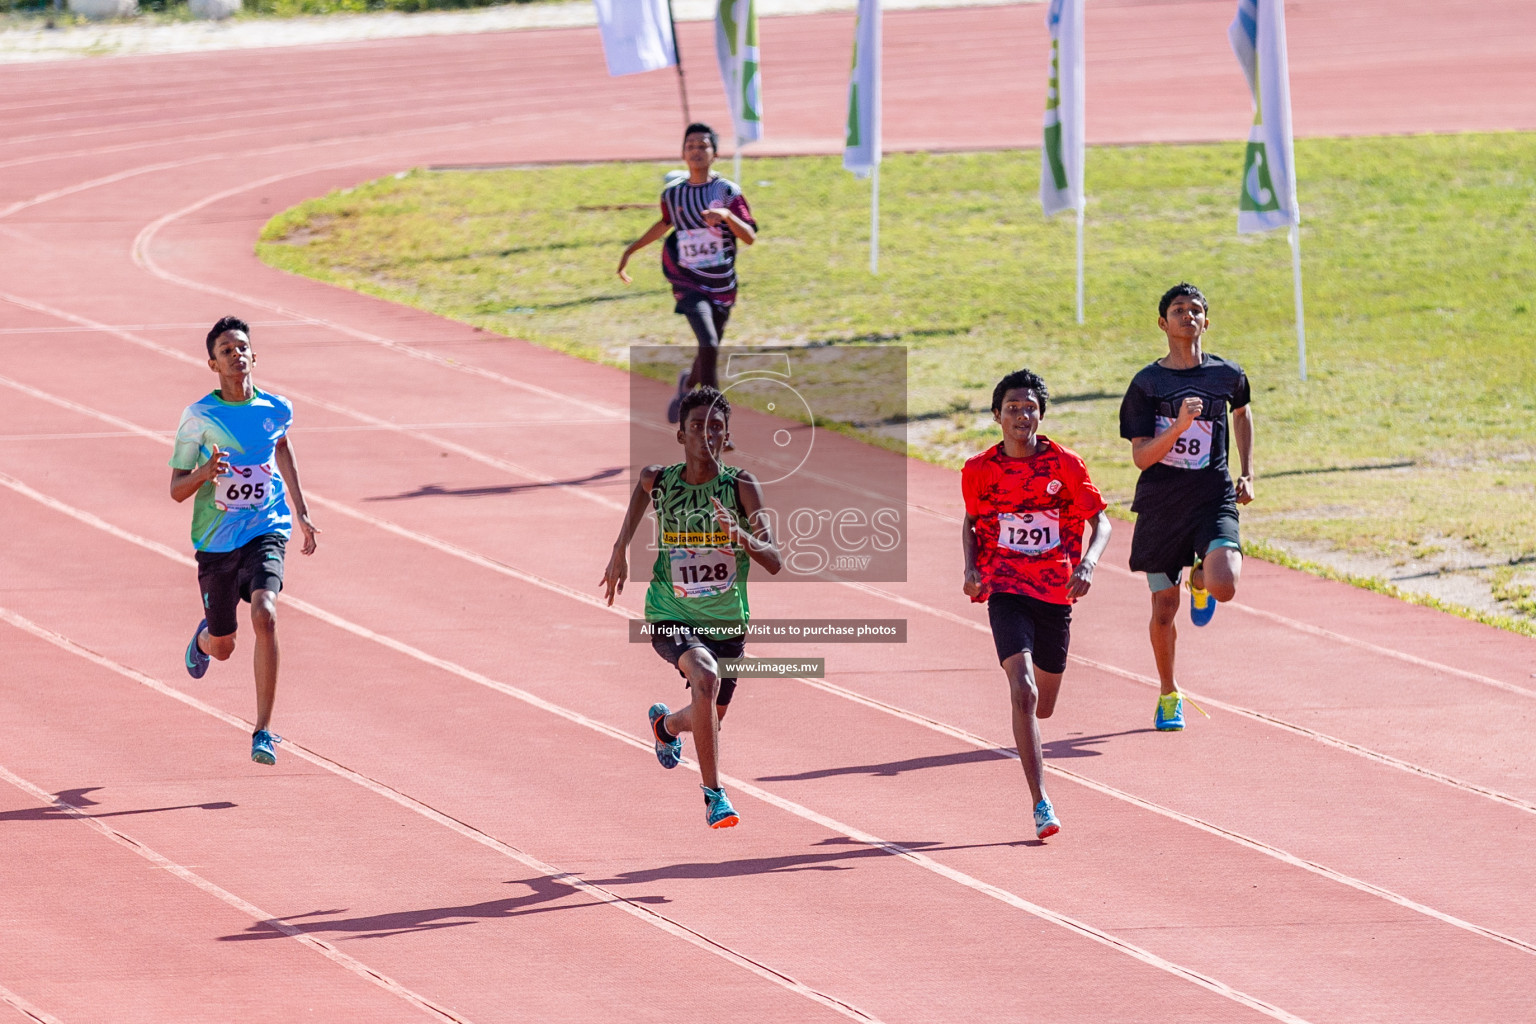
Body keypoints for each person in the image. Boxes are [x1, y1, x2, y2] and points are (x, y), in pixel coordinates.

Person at [601, 387, 782, 828]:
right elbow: (642, 491)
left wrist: (740, 536)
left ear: (727, 436)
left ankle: (666, 727)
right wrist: (619, 549)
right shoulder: (660, 480)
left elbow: (775, 560)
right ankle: (714, 795)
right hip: (670, 612)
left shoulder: (740, 487)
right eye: (697, 426)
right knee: (704, 676)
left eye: (716, 427)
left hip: (727, 623)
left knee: (710, 715)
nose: (707, 434)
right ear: (681, 435)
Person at [963, 369, 1112, 839]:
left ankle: (1032, 730)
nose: (1021, 415)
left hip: (1055, 591)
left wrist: (1088, 563)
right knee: (1022, 689)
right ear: (996, 416)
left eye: (1029, 408)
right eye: (1012, 408)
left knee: (1042, 705)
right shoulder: (979, 469)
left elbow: (1102, 523)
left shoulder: (1064, 465)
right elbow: (970, 522)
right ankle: (1041, 802)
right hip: (1006, 587)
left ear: (1041, 415)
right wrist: (970, 568)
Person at [170, 316, 319, 764]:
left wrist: (302, 511)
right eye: (225, 351)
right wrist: (204, 472)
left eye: (241, 348)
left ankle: (263, 731)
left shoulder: (277, 408)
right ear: (212, 364)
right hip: (216, 541)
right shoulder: (199, 418)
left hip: (266, 528)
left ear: (254, 355)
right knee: (225, 646)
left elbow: (282, 446)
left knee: (266, 613)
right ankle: (204, 641)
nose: (236, 355)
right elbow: (177, 489)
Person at [1119, 283, 1254, 731]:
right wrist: (1179, 427)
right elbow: (1141, 457)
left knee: (1225, 585)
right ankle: (1168, 692)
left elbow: (1242, 412)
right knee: (1163, 607)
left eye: (1196, 310)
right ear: (1163, 323)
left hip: (1212, 495)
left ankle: (1201, 576)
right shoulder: (1147, 385)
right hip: (1161, 503)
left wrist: (1247, 470)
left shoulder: (1226, 375)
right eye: (1178, 310)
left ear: (1206, 322)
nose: (1188, 316)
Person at [616, 123, 758, 423]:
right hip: (687, 281)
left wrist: (727, 216)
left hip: (722, 284)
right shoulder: (673, 194)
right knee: (708, 343)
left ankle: (686, 384)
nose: (696, 151)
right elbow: (663, 224)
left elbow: (749, 237)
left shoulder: (727, 191)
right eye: (690, 146)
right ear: (683, 153)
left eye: (703, 146)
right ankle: (713, 419)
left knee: (709, 347)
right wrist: (631, 250)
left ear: (715, 154)